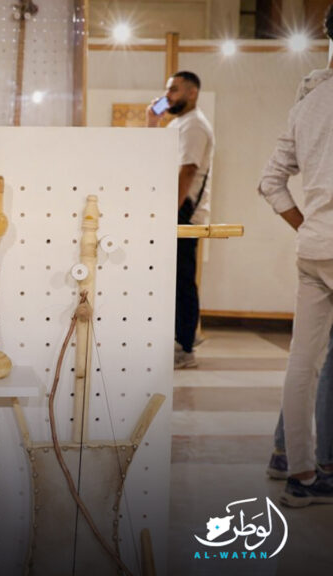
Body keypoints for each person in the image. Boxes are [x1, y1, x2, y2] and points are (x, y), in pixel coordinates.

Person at [257, 4, 333, 507]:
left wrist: (308, 226)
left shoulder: (308, 102)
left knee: (301, 365)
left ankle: (299, 473)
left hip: (315, 249)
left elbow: (270, 182)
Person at [146, 71, 215, 370]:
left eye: (174, 90)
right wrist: (152, 122)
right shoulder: (178, 123)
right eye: (167, 90)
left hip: (183, 210)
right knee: (172, 278)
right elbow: (154, 160)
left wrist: (170, 213)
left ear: (192, 92)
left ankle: (185, 347)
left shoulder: (194, 125)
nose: (168, 95)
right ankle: (179, 339)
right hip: (174, 208)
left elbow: (188, 171)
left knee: (182, 279)